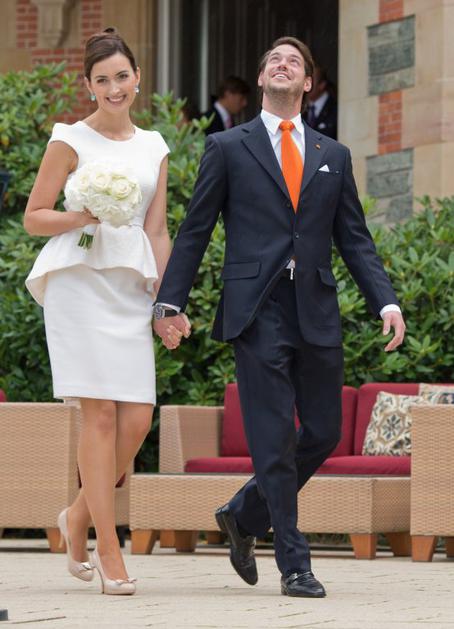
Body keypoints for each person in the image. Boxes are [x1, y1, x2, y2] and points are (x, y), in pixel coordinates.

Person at [153, 36, 405, 597]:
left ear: (308, 83)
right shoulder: (227, 147)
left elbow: (355, 239)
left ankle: (244, 514)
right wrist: (170, 301)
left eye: (294, 61)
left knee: (324, 431)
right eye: (273, 60)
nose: (282, 65)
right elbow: (195, 231)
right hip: (256, 309)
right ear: (262, 79)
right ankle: (295, 563)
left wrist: (385, 301)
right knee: (272, 439)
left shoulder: (333, 155)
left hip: (315, 307)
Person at [24, 28, 189, 595]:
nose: (114, 88)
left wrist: (166, 304)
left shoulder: (154, 146)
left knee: (138, 418)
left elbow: (157, 230)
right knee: (97, 417)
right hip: (78, 282)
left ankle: (75, 516)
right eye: (102, 80)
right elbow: (35, 216)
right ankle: (108, 546)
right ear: (88, 85)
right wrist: (85, 215)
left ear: (137, 78)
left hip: (129, 288)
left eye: (122, 76)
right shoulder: (69, 139)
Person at [303, 65, 337, 140]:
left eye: (311, 81)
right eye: (305, 80)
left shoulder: (336, 108)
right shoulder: (301, 109)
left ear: (322, 85)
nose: (306, 85)